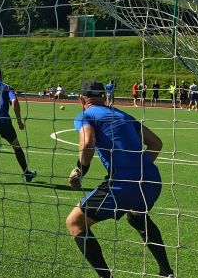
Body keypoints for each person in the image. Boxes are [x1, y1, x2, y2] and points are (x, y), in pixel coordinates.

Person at [65, 80, 175, 278]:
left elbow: (88, 141)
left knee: (75, 222)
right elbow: (156, 144)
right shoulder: (123, 114)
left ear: (82, 99)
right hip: (151, 180)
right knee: (137, 217)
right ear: (104, 97)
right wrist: (139, 167)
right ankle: (167, 272)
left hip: (123, 183)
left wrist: (80, 171)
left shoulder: (85, 115)